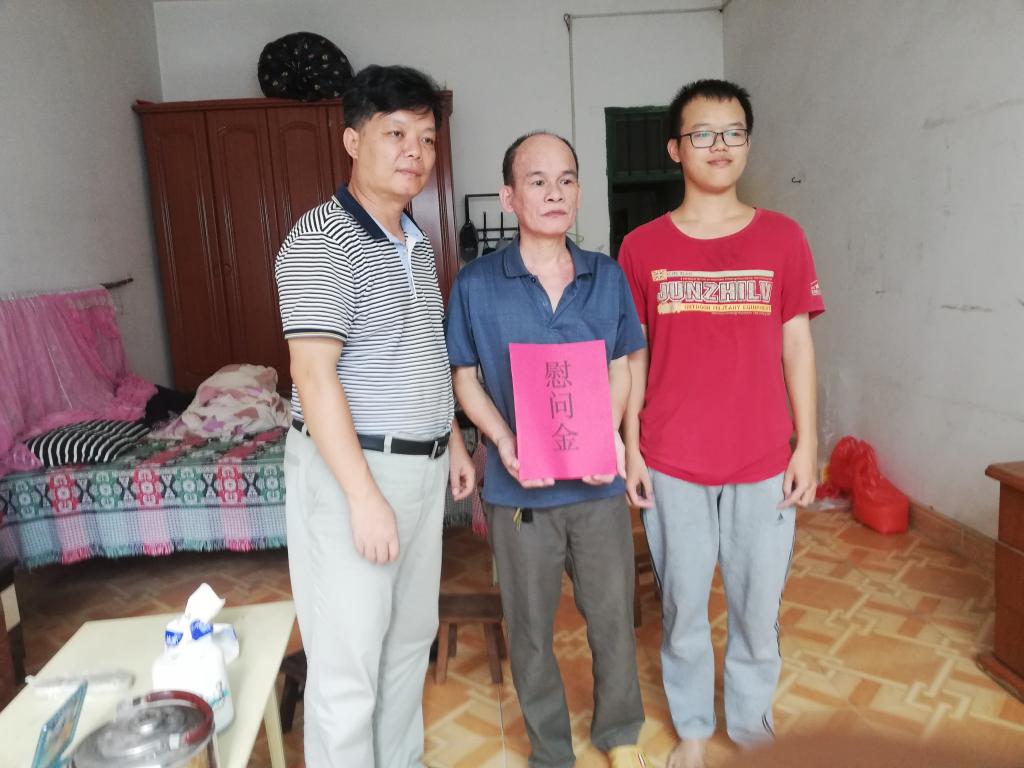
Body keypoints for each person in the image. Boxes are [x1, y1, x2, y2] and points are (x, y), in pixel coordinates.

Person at [619, 79, 825, 768]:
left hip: (763, 456)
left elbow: (797, 346)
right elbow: (634, 356)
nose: (719, 146)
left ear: (747, 143)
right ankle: (694, 731)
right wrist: (631, 447)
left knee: (757, 612)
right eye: (702, 133)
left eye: (733, 132)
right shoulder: (641, 247)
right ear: (675, 149)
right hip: (671, 456)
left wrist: (808, 445)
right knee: (682, 609)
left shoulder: (784, 237)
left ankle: (752, 732)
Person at [274, 64, 475, 768]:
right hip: (353, 473)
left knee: (406, 645)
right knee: (348, 666)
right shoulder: (322, 241)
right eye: (396, 134)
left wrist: (451, 438)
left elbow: (418, 352)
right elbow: (313, 376)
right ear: (353, 141)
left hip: (418, 469)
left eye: (426, 137)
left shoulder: (411, 238)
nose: (415, 151)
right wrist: (364, 498)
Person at [446, 131, 650, 768]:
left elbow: (623, 363)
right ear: (509, 197)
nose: (554, 192)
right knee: (530, 629)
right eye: (537, 181)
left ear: (579, 192)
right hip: (518, 492)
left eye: (566, 180)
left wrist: (603, 433)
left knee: (612, 619)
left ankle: (620, 735)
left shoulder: (606, 276)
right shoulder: (477, 284)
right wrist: (504, 441)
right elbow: (463, 377)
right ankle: (552, 751)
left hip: (596, 487)